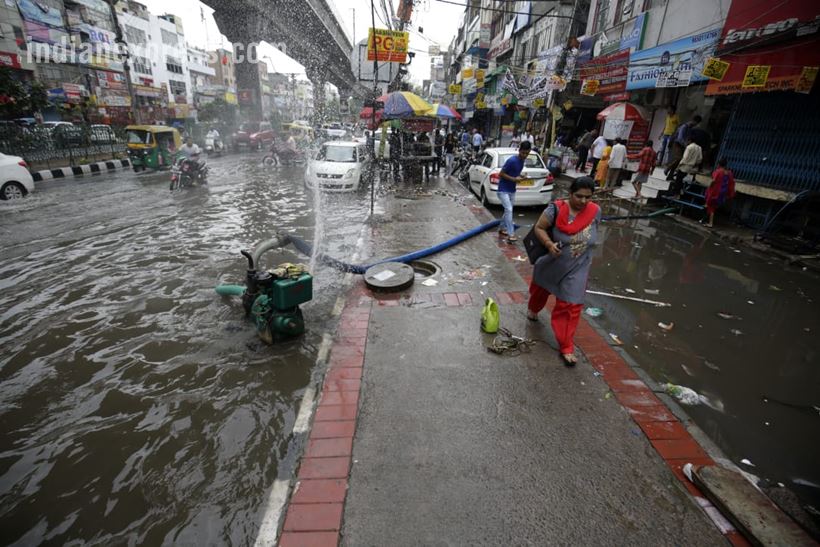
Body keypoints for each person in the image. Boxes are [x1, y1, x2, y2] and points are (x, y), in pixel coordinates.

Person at [527, 176, 601, 366]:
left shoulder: (595, 212)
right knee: (540, 290)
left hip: (578, 267)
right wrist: (549, 244)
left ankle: (566, 346)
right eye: (579, 196)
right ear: (570, 194)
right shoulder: (556, 208)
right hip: (553, 262)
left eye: (588, 197)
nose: (583, 201)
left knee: (571, 305)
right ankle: (534, 309)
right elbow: (539, 227)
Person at [497, 141, 532, 243]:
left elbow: (515, 173)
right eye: (523, 153)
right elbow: (501, 174)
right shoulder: (512, 160)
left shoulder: (521, 162)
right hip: (503, 190)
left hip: (512, 190)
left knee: (508, 210)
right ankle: (511, 234)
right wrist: (514, 179)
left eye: (527, 153)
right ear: (519, 150)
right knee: (509, 209)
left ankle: (501, 228)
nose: (525, 155)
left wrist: (522, 176)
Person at [705, 158, 736, 228]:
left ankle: (710, 223)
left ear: (718, 164)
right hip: (723, 192)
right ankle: (708, 220)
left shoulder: (718, 172)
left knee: (711, 207)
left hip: (715, 191)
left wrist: (709, 186)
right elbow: (731, 183)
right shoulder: (729, 173)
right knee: (713, 206)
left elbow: (713, 181)